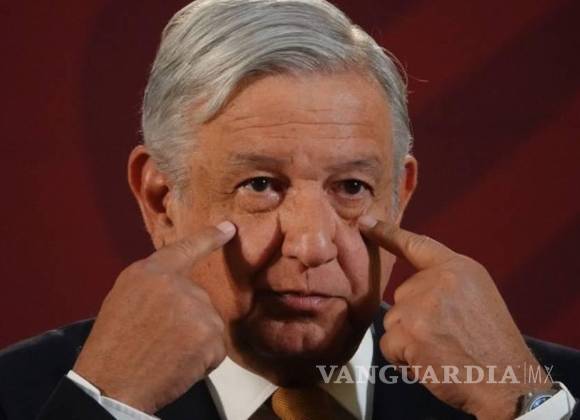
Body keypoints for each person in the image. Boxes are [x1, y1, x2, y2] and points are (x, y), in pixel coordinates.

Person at [0, 0, 578, 419]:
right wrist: (106, 408)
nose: (311, 245)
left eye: (351, 187)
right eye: (260, 185)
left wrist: (522, 406)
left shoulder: (548, 393)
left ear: (398, 196)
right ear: (161, 199)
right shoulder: (18, 396)